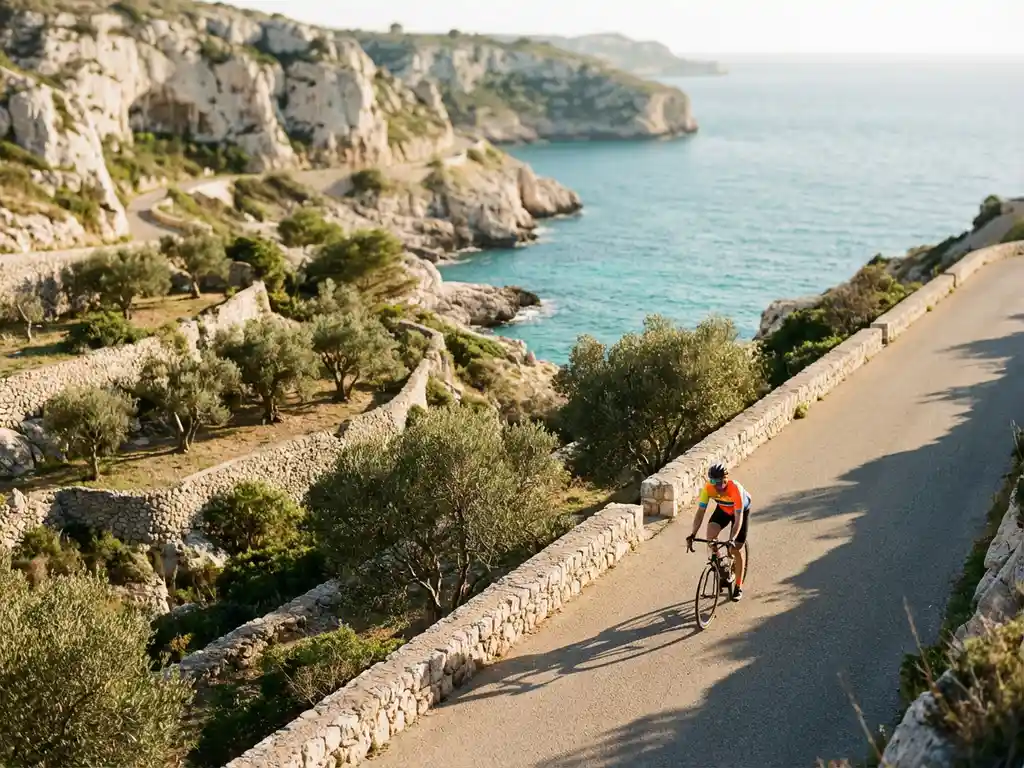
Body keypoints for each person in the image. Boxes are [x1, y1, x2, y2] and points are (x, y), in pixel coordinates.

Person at [686, 462, 751, 601]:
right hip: (723, 509)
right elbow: (700, 512)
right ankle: (722, 566)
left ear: (726, 478)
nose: (718, 486)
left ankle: (738, 586)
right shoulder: (708, 488)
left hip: (739, 512)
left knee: (735, 550)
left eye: (721, 482)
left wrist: (732, 539)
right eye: (714, 482)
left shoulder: (735, 489)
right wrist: (692, 534)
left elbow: (738, 518)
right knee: (710, 538)